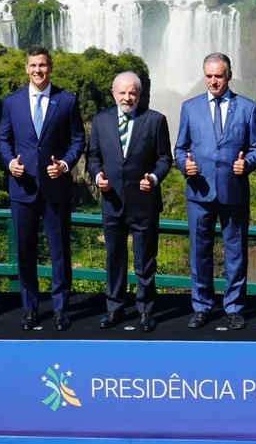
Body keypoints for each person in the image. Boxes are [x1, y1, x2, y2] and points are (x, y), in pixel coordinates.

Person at [0, 46, 85, 331]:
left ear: (51, 67)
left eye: (43, 65)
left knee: (60, 252)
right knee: (25, 252)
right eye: (33, 65)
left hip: (55, 189)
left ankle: (60, 309)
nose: (38, 70)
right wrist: (10, 163)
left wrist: (65, 164)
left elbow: (78, 140)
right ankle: (30, 308)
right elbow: (3, 139)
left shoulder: (67, 100)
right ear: (26, 68)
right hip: (22, 188)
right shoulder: (12, 103)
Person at [175, 52, 256, 330]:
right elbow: (180, 148)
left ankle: (234, 307)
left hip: (233, 190)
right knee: (199, 252)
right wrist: (184, 165)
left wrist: (247, 164)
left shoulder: (248, 108)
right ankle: (201, 306)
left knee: (236, 252)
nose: (213, 81)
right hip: (199, 191)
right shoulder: (189, 107)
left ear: (229, 76)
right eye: (209, 76)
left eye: (219, 76)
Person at [86, 71, 172, 332]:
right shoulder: (100, 121)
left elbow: (164, 158)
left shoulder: (155, 120)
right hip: (112, 201)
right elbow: (93, 156)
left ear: (140, 94)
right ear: (113, 94)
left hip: (144, 202)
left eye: (132, 93)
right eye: (122, 92)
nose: (127, 97)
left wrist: (154, 178)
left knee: (145, 261)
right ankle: (114, 308)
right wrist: (98, 176)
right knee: (114, 258)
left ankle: (146, 310)